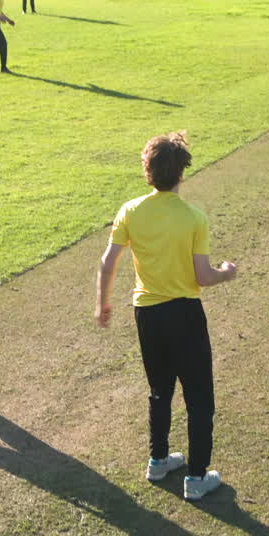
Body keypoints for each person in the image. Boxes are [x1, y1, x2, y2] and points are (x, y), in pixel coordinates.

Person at [95, 132, 238, 502]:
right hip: (185, 315)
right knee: (199, 397)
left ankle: (158, 460)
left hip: (147, 315)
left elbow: (108, 261)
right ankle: (196, 477)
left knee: (160, 391)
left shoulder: (130, 210)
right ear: (182, 172)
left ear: (148, 171)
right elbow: (202, 277)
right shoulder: (193, 218)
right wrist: (226, 271)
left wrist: (103, 303)